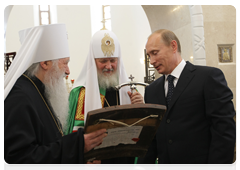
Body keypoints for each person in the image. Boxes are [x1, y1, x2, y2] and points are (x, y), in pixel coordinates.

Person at [4, 24, 107, 170]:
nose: (68, 71)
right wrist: (77, 146)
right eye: (65, 63)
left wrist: (78, 158)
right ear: (45, 63)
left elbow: (47, 145)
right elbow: (20, 161)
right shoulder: (19, 98)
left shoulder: (39, 90)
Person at [136, 29, 236, 170]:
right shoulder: (151, 90)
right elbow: (152, 136)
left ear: (173, 46)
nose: (152, 61)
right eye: (148, 55)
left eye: (155, 53)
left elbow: (224, 132)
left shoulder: (208, 78)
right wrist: (142, 167)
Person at [66, 29, 143, 170]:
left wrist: (140, 107)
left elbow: (142, 128)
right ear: (93, 61)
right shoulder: (80, 93)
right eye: (103, 61)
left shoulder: (129, 90)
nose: (109, 66)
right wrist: (81, 157)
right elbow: (73, 134)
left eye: (113, 60)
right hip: (96, 164)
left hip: (125, 161)